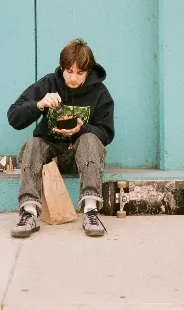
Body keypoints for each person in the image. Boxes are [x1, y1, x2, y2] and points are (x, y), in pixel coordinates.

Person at [7, 38, 114, 238]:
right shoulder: (49, 83)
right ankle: (29, 212)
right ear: (62, 68)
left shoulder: (100, 92)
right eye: (69, 71)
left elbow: (106, 134)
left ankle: (91, 211)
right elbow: (13, 117)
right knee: (33, 144)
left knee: (90, 139)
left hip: (80, 157)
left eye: (80, 73)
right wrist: (39, 104)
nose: (73, 78)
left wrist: (82, 129)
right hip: (50, 158)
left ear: (88, 72)